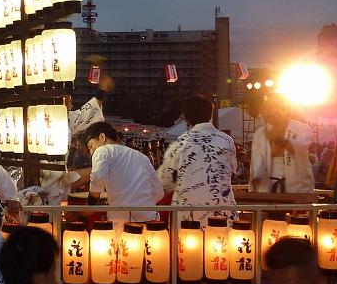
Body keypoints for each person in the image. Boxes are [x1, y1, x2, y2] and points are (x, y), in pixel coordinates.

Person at [158, 95, 237, 227]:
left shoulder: (180, 143)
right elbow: (232, 170)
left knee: (186, 247)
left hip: (188, 217)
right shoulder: (227, 140)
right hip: (224, 214)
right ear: (210, 114)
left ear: (185, 117)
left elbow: (164, 181)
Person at [85, 121, 164, 229]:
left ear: (102, 137)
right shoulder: (141, 157)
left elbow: (98, 178)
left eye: (91, 146)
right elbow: (158, 192)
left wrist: (90, 204)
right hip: (149, 220)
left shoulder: (102, 150)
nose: (91, 152)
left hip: (121, 223)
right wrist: (140, 204)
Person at [249, 94, 314, 193]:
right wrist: (254, 185)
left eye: (273, 107)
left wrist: (277, 136)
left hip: (298, 188)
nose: (269, 111)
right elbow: (256, 165)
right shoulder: (260, 133)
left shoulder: (302, 128)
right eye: (267, 108)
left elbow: (299, 148)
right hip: (267, 190)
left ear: (285, 109)